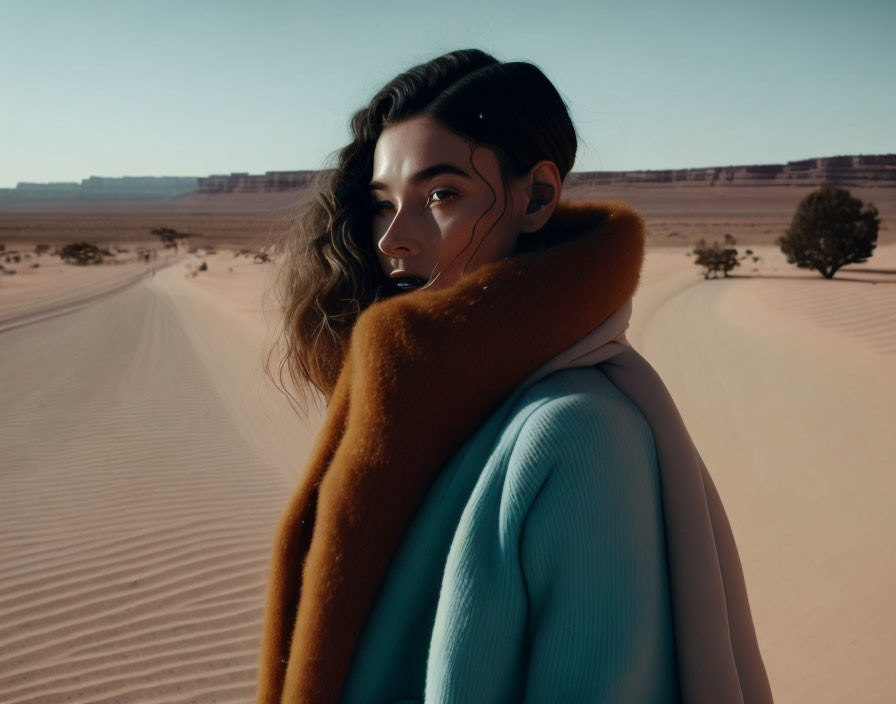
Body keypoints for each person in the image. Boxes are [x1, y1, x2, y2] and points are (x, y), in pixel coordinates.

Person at [257, 49, 774, 704]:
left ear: (535, 198)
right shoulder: (423, 409)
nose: (394, 239)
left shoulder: (577, 436)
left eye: (441, 195)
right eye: (384, 203)